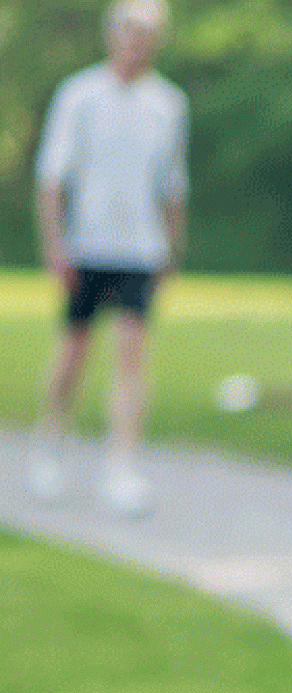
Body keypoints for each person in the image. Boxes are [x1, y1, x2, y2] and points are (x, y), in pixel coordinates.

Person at [28, 0, 188, 517]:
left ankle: (122, 464)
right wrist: (55, 246)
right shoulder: (79, 94)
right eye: (130, 31)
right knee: (73, 350)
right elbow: (52, 178)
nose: (137, 41)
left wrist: (172, 249)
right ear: (112, 34)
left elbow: (172, 184)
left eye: (147, 33)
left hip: (140, 249)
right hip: (87, 246)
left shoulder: (168, 103)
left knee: (131, 355)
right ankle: (50, 442)